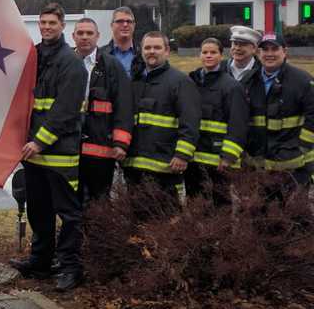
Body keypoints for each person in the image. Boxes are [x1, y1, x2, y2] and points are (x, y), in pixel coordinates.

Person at [9, 2, 88, 292]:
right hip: (33, 152)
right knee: (38, 210)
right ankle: (41, 260)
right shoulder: (35, 56)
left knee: (68, 214)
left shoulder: (72, 63)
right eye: (42, 23)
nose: (46, 28)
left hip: (58, 152)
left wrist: (40, 140)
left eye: (52, 23)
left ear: (62, 26)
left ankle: (70, 268)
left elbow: (66, 111)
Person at [123, 31, 201, 212]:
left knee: (166, 221)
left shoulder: (180, 82)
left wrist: (182, 154)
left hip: (166, 166)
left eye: (157, 47)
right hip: (134, 165)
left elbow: (190, 121)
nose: (152, 51)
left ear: (167, 51)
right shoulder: (135, 82)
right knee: (137, 220)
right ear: (141, 51)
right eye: (147, 48)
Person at [242, 33, 314, 194]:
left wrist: (302, 148)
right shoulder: (248, 81)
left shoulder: (302, 80)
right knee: (260, 215)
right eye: (265, 49)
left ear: (285, 51)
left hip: (293, 166)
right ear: (258, 53)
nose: (269, 54)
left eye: (275, 49)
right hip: (258, 165)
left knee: (294, 216)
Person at [72, 17, 133, 202]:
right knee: (69, 199)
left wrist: (120, 143)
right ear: (73, 36)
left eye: (89, 33)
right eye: (80, 33)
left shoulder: (112, 65)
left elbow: (124, 105)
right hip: (68, 145)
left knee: (99, 199)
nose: (84, 37)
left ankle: (97, 232)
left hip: (100, 147)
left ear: (98, 36)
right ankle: (73, 232)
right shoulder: (64, 62)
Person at [184, 38, 248, 207]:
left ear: (222, 56)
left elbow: (238, 124)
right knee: (195, 203)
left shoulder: (232, 87)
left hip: (218, 161)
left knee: (221, 205)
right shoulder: (191, 82)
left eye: (213, 52)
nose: (209, 56)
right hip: (194, 158)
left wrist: (228, 156)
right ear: (200, 55)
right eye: (205, 52)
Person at [104, 6, 145, 79]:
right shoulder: (100, 55)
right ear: (111, 25)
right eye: (120, 21)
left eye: (129, 21)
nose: (125, 25)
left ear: (134, 25)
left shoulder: (144, 54)